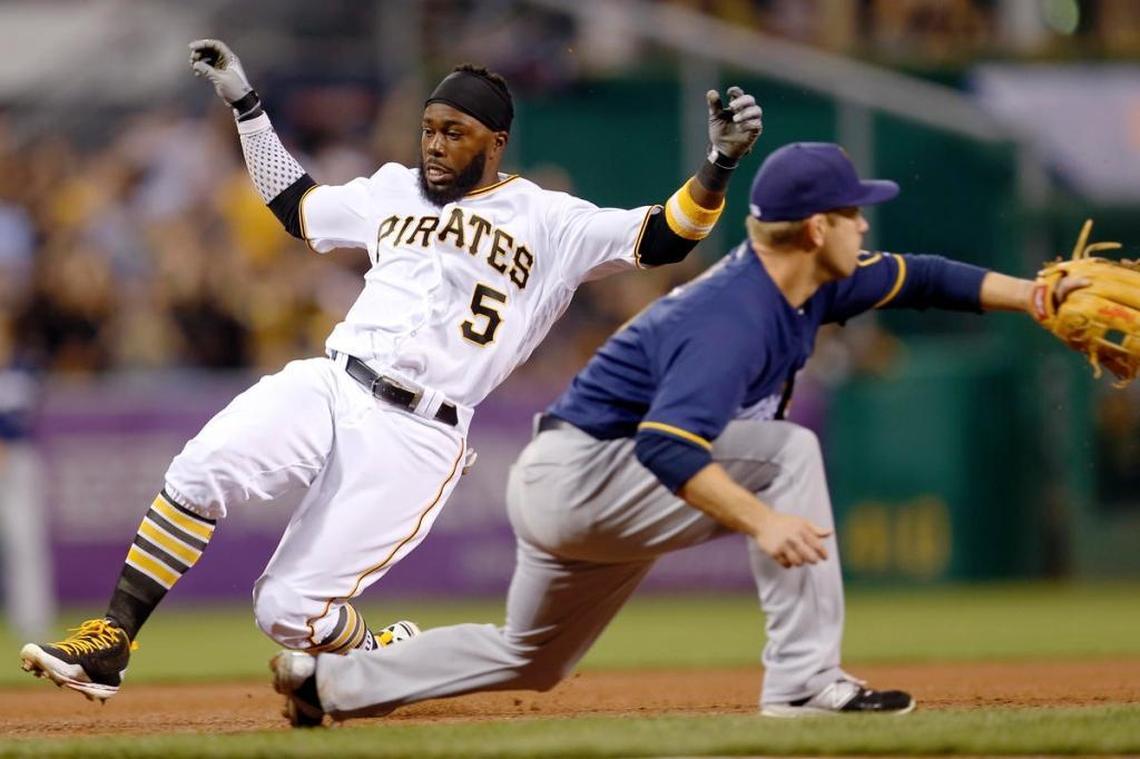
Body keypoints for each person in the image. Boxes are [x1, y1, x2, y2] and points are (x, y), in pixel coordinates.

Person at [18, 39, 763, 702]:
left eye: (454, 131)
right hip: (336, 379)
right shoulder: (392, 189)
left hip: (418, 432)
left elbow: (666, 235)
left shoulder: (550, 219)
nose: (435, 143)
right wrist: (247, 107)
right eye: (429, 128)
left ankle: (378, 654)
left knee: (285, 612)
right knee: (201, 466)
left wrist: (719, 164)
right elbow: (295, 205)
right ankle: (112, 640)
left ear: (496, 141)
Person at [268, 141, 1084, 724]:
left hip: (571, 480)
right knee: (790, 452)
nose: (864, 227)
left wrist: (1035, 297)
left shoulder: (810, 283)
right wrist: (762, 520)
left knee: (533, 658)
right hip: (588, 475)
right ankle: (802, 681)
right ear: (813, 229)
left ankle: (327, 684)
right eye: (852, 214)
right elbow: (666, 443)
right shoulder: (735, 315)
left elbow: (927, 278)